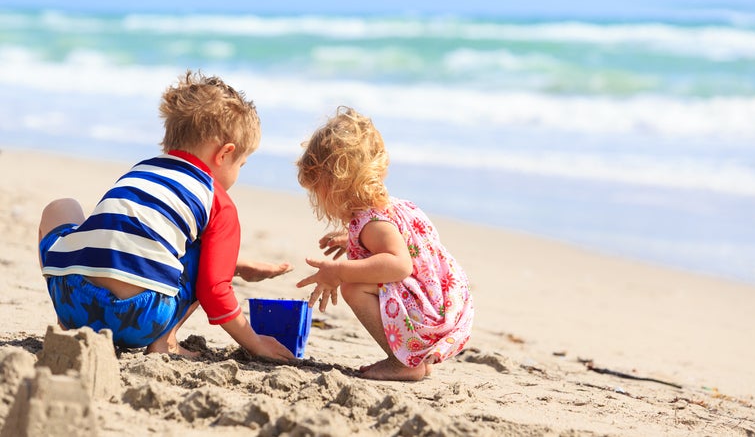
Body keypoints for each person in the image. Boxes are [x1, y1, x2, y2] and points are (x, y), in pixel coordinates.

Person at [38, 71, 294, 361]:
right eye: (241, 165)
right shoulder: (217, 200)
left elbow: (130, 243)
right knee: (200, 247)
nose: (238, 174)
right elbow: (213, 289)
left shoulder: (141, 170)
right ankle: (165, 341)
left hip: (73, 302)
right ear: (225, 153)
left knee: (60, 206)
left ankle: (65, 325)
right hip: (141, 319)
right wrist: (255, 342)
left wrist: (235, 264)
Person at [295, 106, 475, 381]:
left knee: (353, 288)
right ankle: (412, 358)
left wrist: (340, 271)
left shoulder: (373, 223)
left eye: (319, 192)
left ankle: (405, 363)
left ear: (337, 185)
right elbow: (397, 245)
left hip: (430, 314)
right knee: (360, 281)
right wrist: (352, 240)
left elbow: (399, 265)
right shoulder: (387, 210)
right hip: (444, 302)